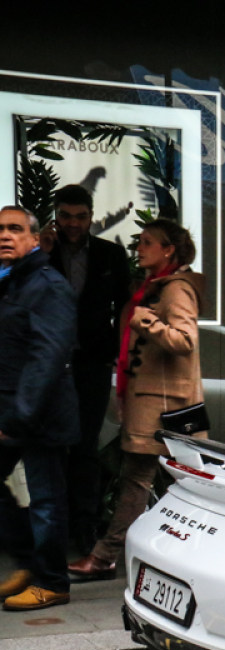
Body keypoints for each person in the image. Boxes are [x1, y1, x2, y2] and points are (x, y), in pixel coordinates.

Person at [67, 219, 204, 581]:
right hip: (152, 402)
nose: (138, 248)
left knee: (140, 481)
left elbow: (185, 341)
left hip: (166, 407)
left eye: (147, 242)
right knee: (163, 482)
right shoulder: (151, 288)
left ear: (168, 249)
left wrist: (145, 322)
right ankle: (172, 557)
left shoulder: (175, 289)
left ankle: (104, 556)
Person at [45, 185, 133, 555]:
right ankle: (52, 530)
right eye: (66, 216)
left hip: (92, 365)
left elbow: (125, 308)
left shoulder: (110, 255)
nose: (73, 224)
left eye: (80, 217)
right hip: (48, 364)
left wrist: (117, 355)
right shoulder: (42, 253)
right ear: (56, 216)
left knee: (85, 448)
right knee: (50, 448)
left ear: (91, 216)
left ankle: (82, 529)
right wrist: (41, 252)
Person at [0, 206, 78, 610]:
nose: (5, 235)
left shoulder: (47, 285)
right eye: (0, 229)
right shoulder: (11, 282)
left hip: (39, 414)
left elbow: (47, 358)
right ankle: (29, 562)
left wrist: (17, 416)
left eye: (15, 229)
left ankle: (53, 582)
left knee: (47, 500)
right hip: (12, 410)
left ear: (35, 239)